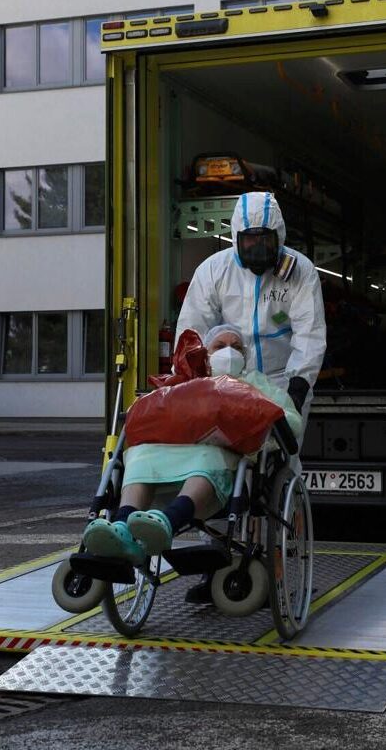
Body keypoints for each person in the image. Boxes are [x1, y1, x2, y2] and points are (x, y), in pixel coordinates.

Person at [82, 324, 302, 562]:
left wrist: (255, 415)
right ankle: (122, 527)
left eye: (236, 347)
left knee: (206, 457)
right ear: (206, 353)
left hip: (221, 459)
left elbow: (289, 421)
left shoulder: (257, 385)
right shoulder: (186, 381)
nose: (229, 352)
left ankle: (169, 521)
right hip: (167, 454)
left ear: (245, 355)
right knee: (139, 453)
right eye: (220, 346)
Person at [177, 190, 327, 416]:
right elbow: (193, 330)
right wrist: (190, 381)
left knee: (282, 449)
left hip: (283, 382)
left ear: (279, 236)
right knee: (227, 449)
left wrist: (298, 388)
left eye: (265, 239)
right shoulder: (214, 270)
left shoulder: (300, 271)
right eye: (250, 239)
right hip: (226, 382)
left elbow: (310, 333)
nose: (257, 247)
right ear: (237, 237)